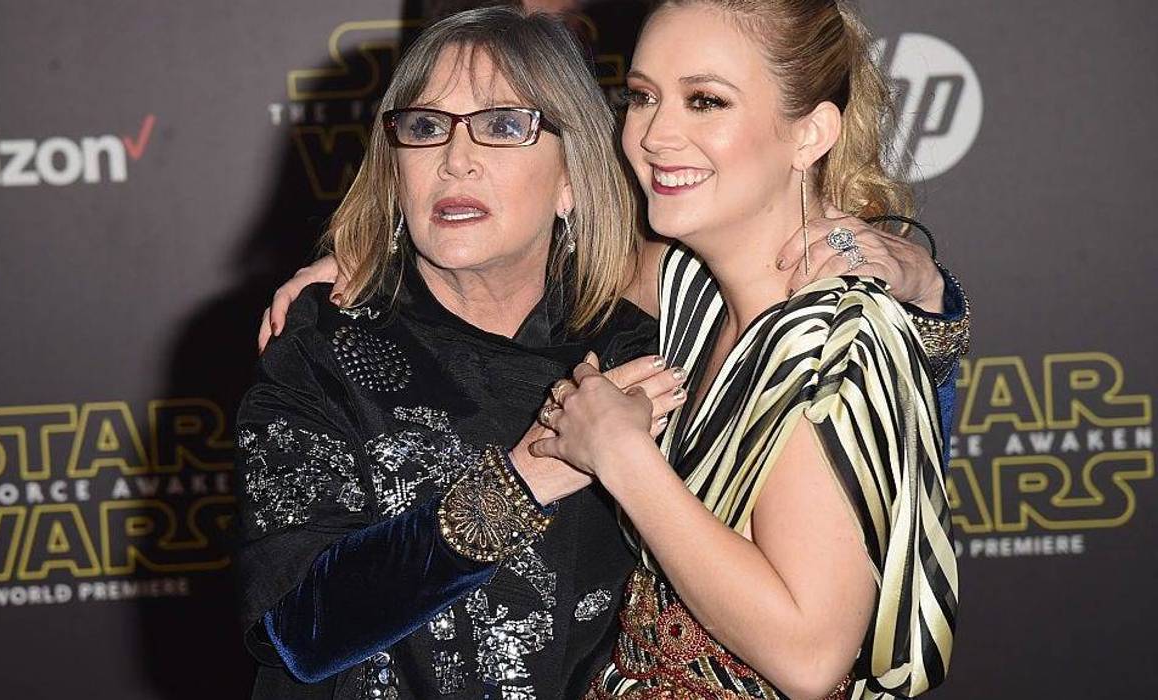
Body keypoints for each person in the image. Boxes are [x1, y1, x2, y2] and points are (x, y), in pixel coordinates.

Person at [240, 6, 966, 700]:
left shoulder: (649, 331)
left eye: (502, 126)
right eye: (425, 127)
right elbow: (297, 630)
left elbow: (871, 476)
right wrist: (527, 475)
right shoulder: (325, 350)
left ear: (570, 174)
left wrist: (926, 294)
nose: (455, 159)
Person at [523, 1, 959, 698]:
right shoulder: (693, 289)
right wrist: (359, 256)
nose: (655, 134)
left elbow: (808, 657)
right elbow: (547, 235)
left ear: (809, 132)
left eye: (705, 101)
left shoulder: (833, 339)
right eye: (641, 97)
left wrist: (621, 454)